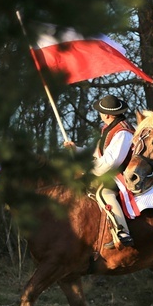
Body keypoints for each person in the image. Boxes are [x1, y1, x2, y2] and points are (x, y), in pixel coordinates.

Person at [64, 94, 135, 247]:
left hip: (123, 175)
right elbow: (98, 155)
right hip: (111, 173)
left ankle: (122, 232)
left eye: (101, 111)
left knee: (104, 193)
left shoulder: (123, 132)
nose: (100, 114)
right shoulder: (110, 129)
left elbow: (111, 161)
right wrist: (76, 150)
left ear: (107, 114)